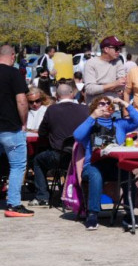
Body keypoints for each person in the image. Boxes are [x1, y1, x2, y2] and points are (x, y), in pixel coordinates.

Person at [73, 96, 138, 229]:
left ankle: (129, 214)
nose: (105, 106)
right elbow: (77, 135)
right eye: (101, 104)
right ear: (94, 107)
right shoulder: (90, 124)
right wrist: (93, 116)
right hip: (93, 165)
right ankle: (92, 215)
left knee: (129, 175)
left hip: (115, 165)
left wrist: (123, 103)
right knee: (96, 176)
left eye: (108, 103)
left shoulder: (119, 124)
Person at [29, 80, 89, 206]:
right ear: (72, 94)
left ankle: (42, 196)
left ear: (56, 96)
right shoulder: (85, 109)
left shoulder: (51, 110)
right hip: (82, 157)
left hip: (60, 157)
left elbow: (42, 133)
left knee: (37, 160)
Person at [0, 44, 31, 217]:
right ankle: (13, 204)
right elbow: (22, 101)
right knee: (17, 166)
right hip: (10, 127)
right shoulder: (13, 73)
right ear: (12, 56)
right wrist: (24, 122)